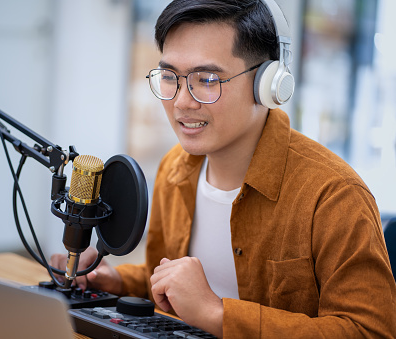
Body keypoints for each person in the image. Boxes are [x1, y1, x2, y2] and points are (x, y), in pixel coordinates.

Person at [52, 0, 396, 337]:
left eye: (207, 79)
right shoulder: (175, 169)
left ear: (268, 83)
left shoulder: (334, 195)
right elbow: (175, 282)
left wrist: (217, 314)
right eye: (170, 76)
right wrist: (119, 281)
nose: (182, 102)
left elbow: (370, 331)